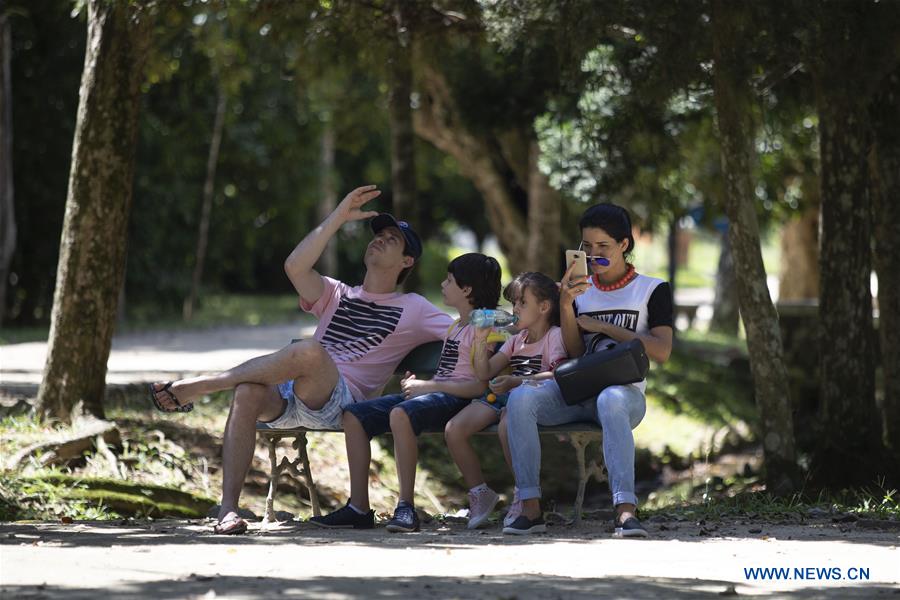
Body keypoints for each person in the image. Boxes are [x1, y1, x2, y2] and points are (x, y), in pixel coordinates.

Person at [148, 185, 453, 535]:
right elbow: (294, 266)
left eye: (392, 239)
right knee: (247, 392)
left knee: (309, 351)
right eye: (378, 235)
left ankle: (204, 385)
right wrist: (339, 216)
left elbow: (465, 332)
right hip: (296, 394)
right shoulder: (337, 293)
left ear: (407, 261)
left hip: (344, 403)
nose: (380, 240)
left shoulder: (414, 308)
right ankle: (228, 511)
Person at [503, 203, 673, 537]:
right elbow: (575, 353)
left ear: (624, 244)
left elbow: (662, 350)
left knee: (610, 398)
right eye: (587, 247)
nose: (594, 255)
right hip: (578, 391)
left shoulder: (652, 289)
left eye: (603, 247)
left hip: (624, 397)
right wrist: (566, 305)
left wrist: (606, 328)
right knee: (522, 399)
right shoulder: (581, 291)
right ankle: (530, 508)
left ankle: (625, 510)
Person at [309, 253, 502, 532]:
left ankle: (406, 507)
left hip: (462, 401)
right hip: (437, 394)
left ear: (467, 289)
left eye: (449, 280)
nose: (443, 284)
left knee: (401, 413)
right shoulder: (455, 325)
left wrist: (428, 386)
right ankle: (358, 509)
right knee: (354, 416)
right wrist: (421, 386)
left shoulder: (485, 328)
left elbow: (477, 385)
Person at [445, 272, 568, 530]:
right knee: (454, 429)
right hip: (501, 397)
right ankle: (480, 492)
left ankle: (523, 496)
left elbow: (557, 374)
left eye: (522, 303)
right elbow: (485, 372)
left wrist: (516, 382)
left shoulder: (554, 336)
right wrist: (480, 340)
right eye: (514, 303)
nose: (514, 309)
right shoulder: (515, 340)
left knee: (506, 427)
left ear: (544, 307)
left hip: (530, 401)